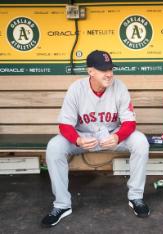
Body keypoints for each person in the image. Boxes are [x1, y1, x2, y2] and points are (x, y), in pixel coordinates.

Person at [41, 50, 150, 227]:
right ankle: (62, 205)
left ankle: (136, 197)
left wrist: (117, 136)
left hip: (112, 135)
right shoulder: (76, 88)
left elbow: (130, 122)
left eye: (110, 69)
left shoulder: (119, 86)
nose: (109, 74)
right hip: (83, 137)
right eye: (103, 70)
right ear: (90, 71)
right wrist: (77, 140)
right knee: (54, 146)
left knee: (140, 141)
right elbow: (64, 125)